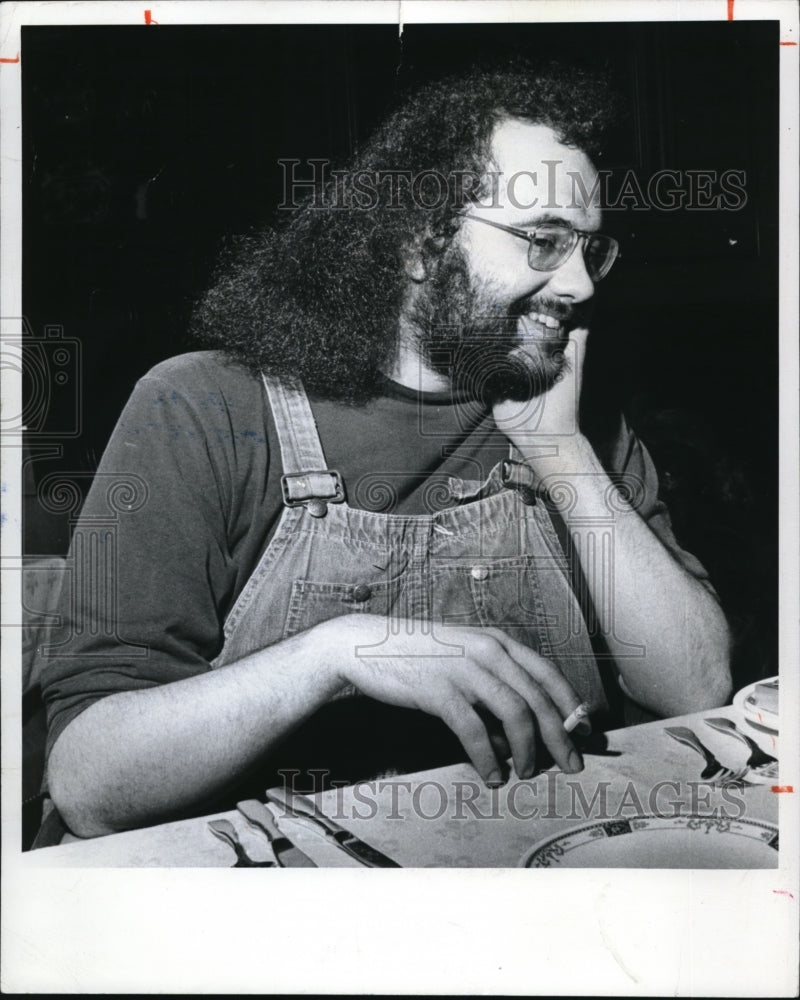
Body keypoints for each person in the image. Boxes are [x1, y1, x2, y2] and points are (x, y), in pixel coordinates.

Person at [39, 60, 731, 841]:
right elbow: (90, 784)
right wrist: (332, 657)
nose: (579, 285)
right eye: (544, 241)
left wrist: (562, 451)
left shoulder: (572, 410)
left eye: (591, 250)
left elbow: (698, 689)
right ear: (418, 245)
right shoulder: (204, 408)